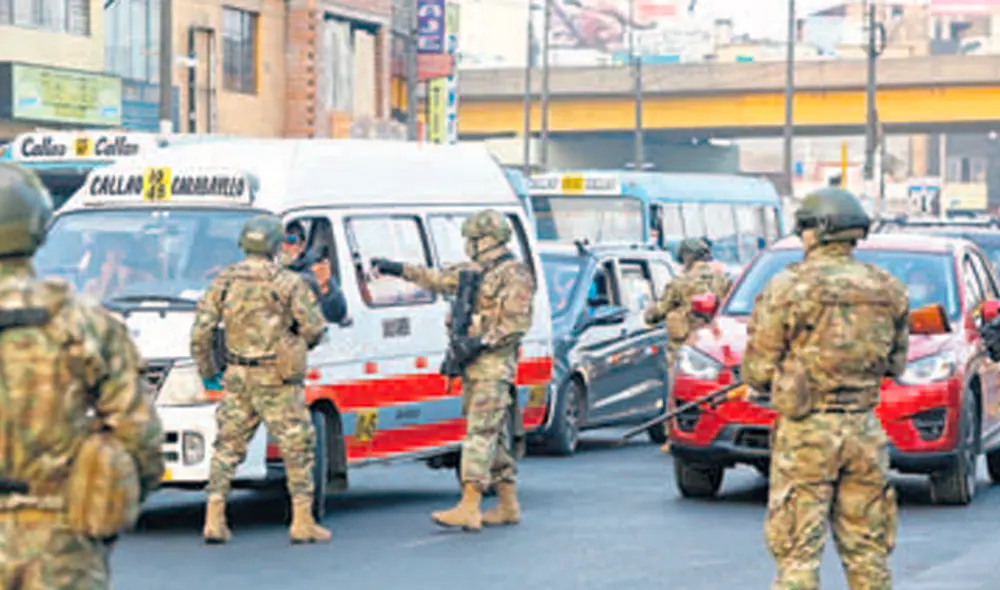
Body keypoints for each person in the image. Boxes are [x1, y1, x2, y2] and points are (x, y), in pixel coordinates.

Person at [0, 163, 164, 588]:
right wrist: (100, 517)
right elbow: (141, 440)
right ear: (37, 228)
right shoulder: (84, 323)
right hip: (61, 542)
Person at [741, 188, 908, 590]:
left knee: (798, 554)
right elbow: (896, 364)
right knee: (868, 555)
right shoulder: (887, 288)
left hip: (807, 435)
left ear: (815, 232)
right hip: (865, 432)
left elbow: (757, 369)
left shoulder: (787, 287)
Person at [371, 209, 535, 531]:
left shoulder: (514, 274)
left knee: (479, 435)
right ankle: (507, 504)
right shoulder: (475, 272)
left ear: (483, 239)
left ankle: (470, 504)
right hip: (474, 366)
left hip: (493, 366)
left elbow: (516, 323)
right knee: (495, 437)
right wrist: (396, 268)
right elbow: (437, 279)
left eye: (471, 239)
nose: (467, 245)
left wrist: (478, 339)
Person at [190, 214, 331, 544]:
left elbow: (200, 333)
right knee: (297, 446)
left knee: (227, 447)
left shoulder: (223, 281)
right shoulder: (287, 282)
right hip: (277, 377)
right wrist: (296, 343)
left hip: (238, 374)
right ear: (273, 245)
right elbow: (314, 327)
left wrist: (209, 371)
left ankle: (214, 516)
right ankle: (302, 520)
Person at [643, 237, 732, 451]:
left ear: (685, 257)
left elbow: (656, 313)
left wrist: (649, 314)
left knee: (677, 388)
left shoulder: (680, 282)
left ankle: (673, 437)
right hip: (713, 344)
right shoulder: (722, 279)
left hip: (683, 343)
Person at [281, 221, 348, 324]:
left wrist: (325, 288)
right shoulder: (269, 271)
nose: (284, 247)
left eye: (291, 240)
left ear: (302, 246)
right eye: (279, 241)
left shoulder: (315, 271)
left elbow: (338, 314)